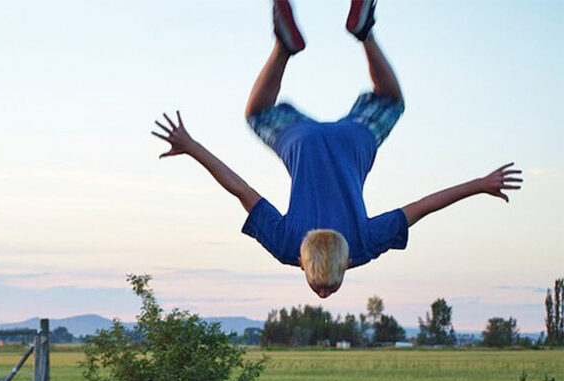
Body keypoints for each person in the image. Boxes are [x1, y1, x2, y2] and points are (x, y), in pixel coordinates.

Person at [152, 0, 522, 299]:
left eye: (323, 287)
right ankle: (283, 47)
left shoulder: (362, 246)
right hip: (302, 144)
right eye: (327, 286)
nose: (324, 294)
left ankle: (365, 33)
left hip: (353, 142)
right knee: (257, 113)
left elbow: (422, 206)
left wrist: (480, 184)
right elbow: (240, 190)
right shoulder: (286, 246)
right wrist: (192, 146)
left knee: (391, 101)